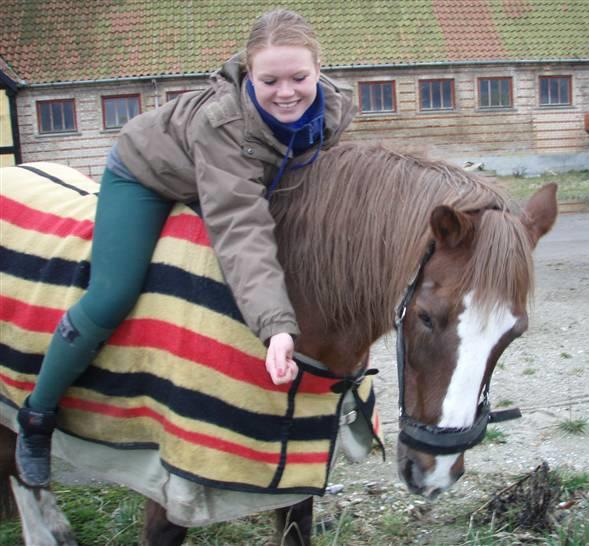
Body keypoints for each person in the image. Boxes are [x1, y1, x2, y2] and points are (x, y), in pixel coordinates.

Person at [16, 9, 355, 488]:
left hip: (234, 182)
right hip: (147, 175)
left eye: (299, 77)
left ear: (320, 70)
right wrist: (278, 326)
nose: (286, 92)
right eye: (269, 80)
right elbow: (240, 226)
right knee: (113, 292)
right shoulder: (222, 124)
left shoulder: (336, 109)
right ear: (248, 73)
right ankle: (36, 415)